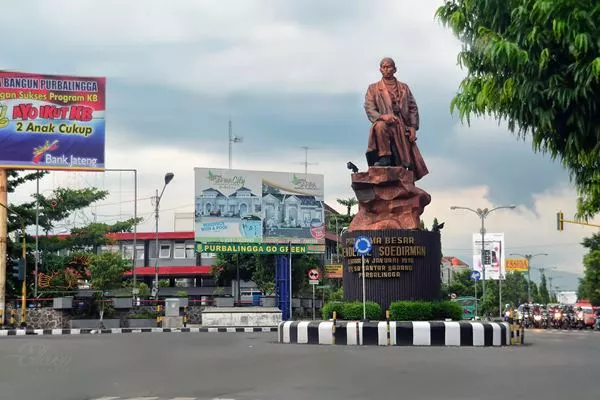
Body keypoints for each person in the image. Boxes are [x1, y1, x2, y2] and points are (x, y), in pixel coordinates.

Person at [363, 57, 429, 181]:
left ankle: (403, 167)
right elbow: (369, 107)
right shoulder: (373, 88)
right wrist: (382, 116)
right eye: (384, 67)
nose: (387, 69)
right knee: (379, 126)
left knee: (405, 161)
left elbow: (412, 107)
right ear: (380, 69)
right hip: (385, 123)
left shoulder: (404, 87)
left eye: (389, 67)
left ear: (395, 69)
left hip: (401, 125)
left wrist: (413, 127)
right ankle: (385, 157)